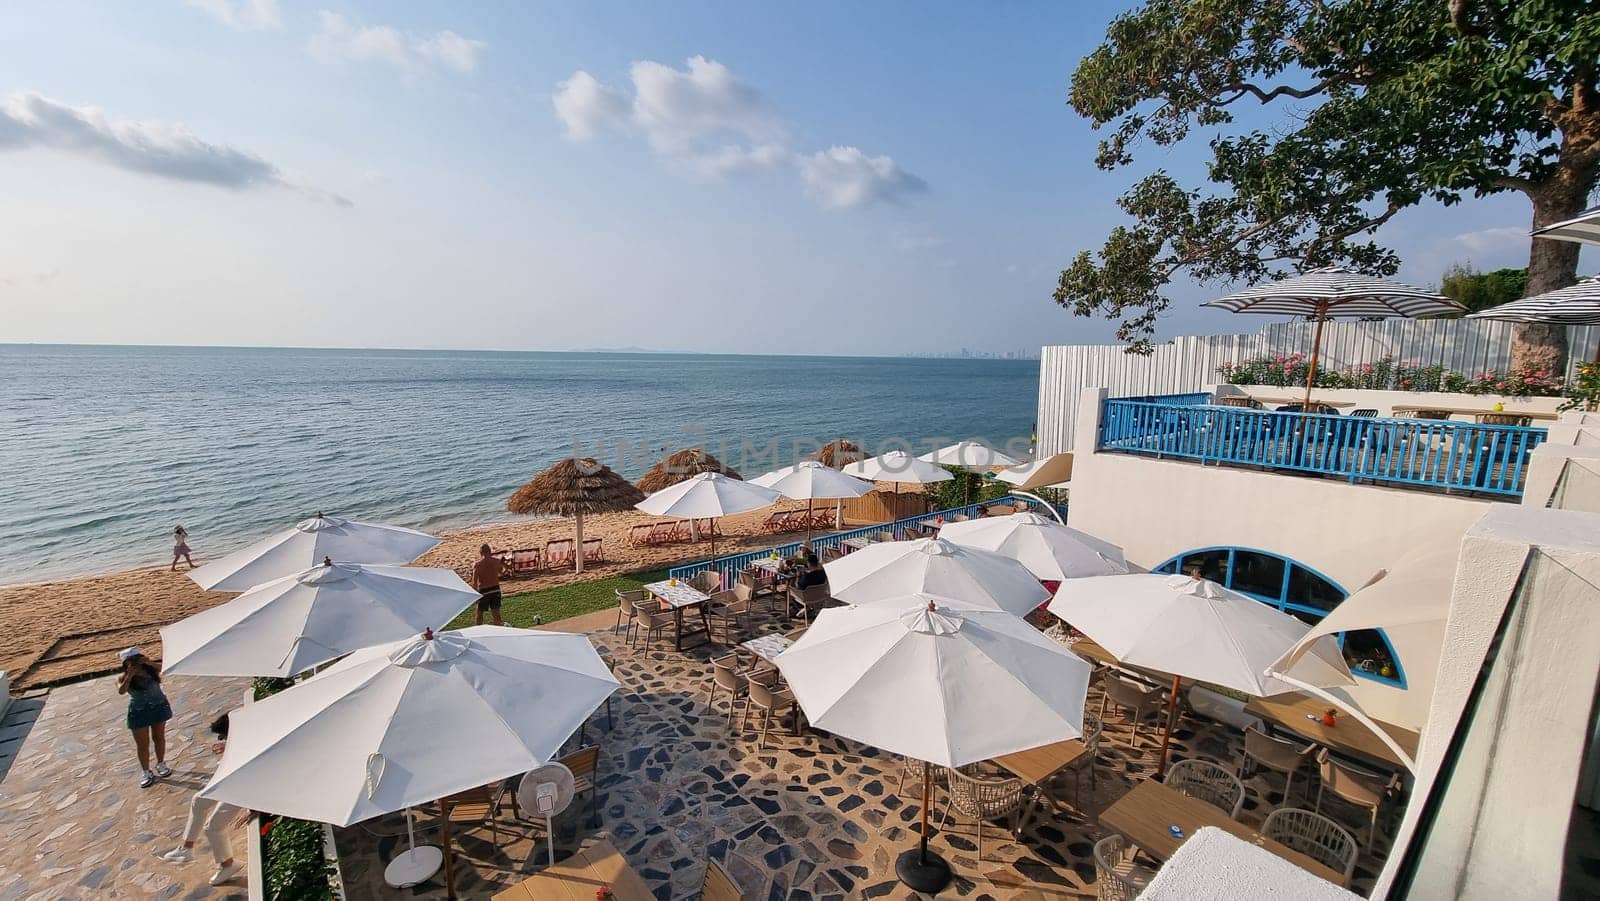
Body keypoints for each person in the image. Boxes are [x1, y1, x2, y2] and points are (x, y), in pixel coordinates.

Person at [160, 714, 244, 885]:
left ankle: (226, 864)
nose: (223, 740)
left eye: (224, 736)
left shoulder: (244, 744)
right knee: (200, 804)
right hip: (234, 785)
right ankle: (188, 849)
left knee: (212, 826)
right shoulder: (243, 741)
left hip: (241, 788)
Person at [117, 647, 172, 788]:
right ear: (126, 664)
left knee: (159, 737)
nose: (136, 663)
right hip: (139, 711)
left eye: (137, 659)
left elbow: (165, 668)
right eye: (132, 661)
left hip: (158, 706)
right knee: (142, 744)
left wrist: (149, 662)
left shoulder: (151, 670)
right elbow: (121, 691)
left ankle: (161, 763)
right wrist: (129, 676)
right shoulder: (123, 677)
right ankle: (146, 771)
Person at [472, 543, 503, 626]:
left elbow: (474, 582)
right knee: (496, 615)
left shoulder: (478, 565)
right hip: (495, 589)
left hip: (484, 591)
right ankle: (499, 632)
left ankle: (478, 633)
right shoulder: (496, 561)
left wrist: (475, 596)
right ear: (490, 552)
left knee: (479, 615)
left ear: (481, 553)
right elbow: (501, 572)